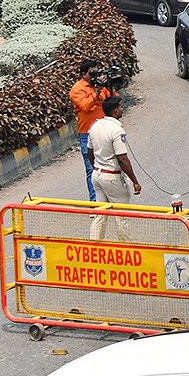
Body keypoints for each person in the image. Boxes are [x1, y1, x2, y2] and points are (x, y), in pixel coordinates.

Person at [86, 95, 141, 241]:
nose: (123, 109)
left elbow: (89, 152)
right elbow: (122, 159)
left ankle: (93, 247)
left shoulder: (94, 126)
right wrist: (135, 181)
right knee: (122, 216)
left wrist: (97, 167)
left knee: (100, 214)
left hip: (97, 175)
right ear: (116, 111)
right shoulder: (117, 130)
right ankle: (126, 250)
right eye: (121, 107)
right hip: (112, 177)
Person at [70, 59, 116, 202]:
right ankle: (96, 203)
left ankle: (113, 199)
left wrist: (108, 86)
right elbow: (85, 106)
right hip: (88, 134)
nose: (95, 75)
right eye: (92, 73)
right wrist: (96, 91)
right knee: (92, 170)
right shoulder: (77, 89)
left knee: (113, 164)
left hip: (105, 131)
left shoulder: (101, 87)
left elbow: (115, 102)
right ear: (84, 74)